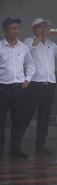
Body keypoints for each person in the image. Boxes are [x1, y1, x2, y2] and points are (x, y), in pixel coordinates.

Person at [22, 18, 57, 156]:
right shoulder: (28, 41)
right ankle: (16, 143)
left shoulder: (50, 44)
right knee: (26, 114)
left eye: (46, 27)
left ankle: (40, 143)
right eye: (40, 27)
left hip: (49, 84)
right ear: (34, 28)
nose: (44, 29)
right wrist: (40, 36)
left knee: (44, 115)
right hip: (34, 83)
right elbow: (30, 48)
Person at [0, 17, 35, 158]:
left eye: (17, 28)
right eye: (12, 28)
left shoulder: (23, 47)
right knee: (1, 121)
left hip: (19, 89)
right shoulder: (1, 47)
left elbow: (30, 64)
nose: (16, 31)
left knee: (19, 120)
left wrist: (27, 79)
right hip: (3, 89)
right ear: (5, 31)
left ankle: (15, 147)